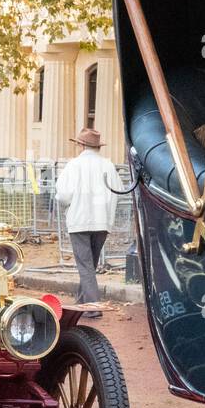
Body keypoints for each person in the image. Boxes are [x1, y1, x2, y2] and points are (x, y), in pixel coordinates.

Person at [55, 127, 120, 318]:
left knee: (85, 267)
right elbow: (118, 190)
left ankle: (92, 307)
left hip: (79, 220)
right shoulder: (108, 165)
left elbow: (63, 196)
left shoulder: (74, 165)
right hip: (102, 221)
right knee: (89, 265)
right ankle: (82, 302)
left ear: (81, 145)